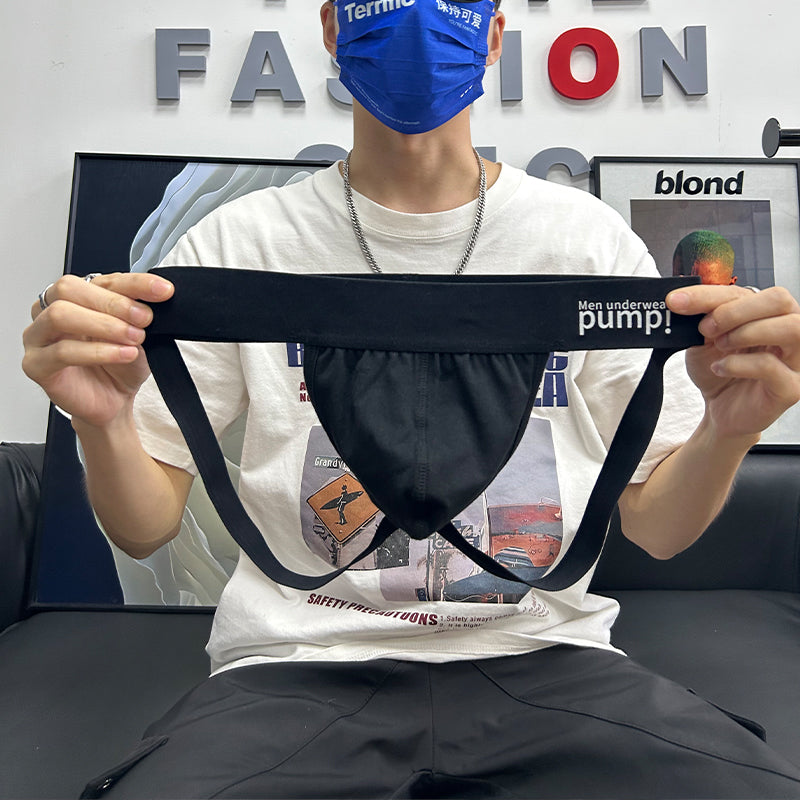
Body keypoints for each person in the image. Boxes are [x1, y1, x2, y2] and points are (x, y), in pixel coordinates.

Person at [21, 1, 800, 797]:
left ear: (493, 34)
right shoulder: (238, 243)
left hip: (547, 656)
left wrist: (728, 431)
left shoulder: (586, 243)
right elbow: (145, 528)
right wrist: (102, 420)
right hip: (297, 663)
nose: (417, 19)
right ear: (333, 27)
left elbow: (660, 530)